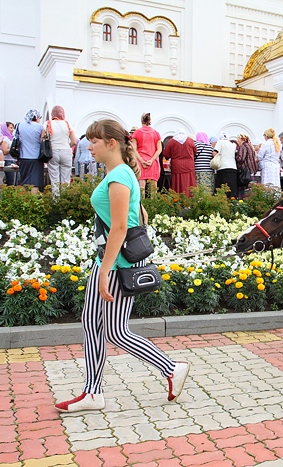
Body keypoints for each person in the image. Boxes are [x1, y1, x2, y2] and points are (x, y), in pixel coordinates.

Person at [55, 119, 189, 412]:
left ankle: (171, 368)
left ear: (111, 143)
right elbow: (140, 216)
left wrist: (105, 270)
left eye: (94, 141)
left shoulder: (119, 176)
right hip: (108, 260)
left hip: (117, 263)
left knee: (115, 331)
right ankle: (93, 392)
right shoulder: (121, 173)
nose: (89, 146)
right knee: (91, 324)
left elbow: (119, 227)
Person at [46, 105, 78, 196]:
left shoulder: (48, 123)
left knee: (54, 179)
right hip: (66, 152)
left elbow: (42, 139)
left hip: (53, 151)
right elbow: (74, 141)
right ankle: (65, 198)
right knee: (66, 179)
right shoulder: (67, 124)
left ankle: (56, 200)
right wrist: (67, 146)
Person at [131, 113, 162, 197]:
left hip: (140, 162)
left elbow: (134, 149)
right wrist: (151, 160)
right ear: (150, 120)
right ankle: (153, 205)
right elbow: (159, 149)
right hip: (153, 162)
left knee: (141, 188)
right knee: (153, 189)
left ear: (141, 120)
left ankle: (142, 205)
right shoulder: (156, 133)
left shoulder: (136, 133)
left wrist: (141, 161)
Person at [162, 128, 196, 197]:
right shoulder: (190, 141)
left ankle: (177, 199)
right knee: (189, 183)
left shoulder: (172, 141)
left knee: (177, 183)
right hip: (189, 166)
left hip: (177, 166)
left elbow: (166, 154)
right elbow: (195, 152)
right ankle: (189, 199)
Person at [18, 109, 46, 194]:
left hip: (23, 156)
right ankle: (33, 200)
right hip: (36, 157)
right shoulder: (40, 127)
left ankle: (24, 199)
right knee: (35, 182)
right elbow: (42, 140)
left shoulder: (19, 125)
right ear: (37, 117)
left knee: (24, 182)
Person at [213, 133, 238, 198]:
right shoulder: (233, 144)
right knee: (232, 188)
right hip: (233, 167)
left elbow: (215, 153)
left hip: (223, 167)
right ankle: (233, 201)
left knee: (222, 188)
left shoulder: (220, 142)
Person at [235, 133, 258, 198]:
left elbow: (241, 159)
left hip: (245, 171)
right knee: (250, 188)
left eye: (238, 139)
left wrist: (235, 155)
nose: (237, 141)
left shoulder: (243, 146)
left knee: (244, 188)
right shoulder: (250, 146)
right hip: (251, 170)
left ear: (241, 139)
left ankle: (242, 200)